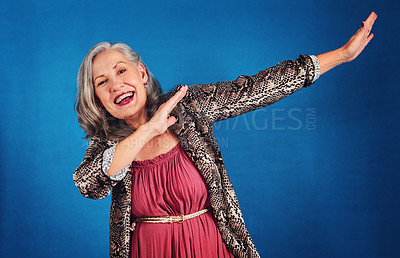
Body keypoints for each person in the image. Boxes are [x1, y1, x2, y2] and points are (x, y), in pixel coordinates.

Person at [73, 12, 377, 258]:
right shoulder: (107, 144)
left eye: (121, 70)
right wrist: (149, 129)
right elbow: (89, 184)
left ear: (141, 74)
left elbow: (258, 88)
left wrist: (342, 55)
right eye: (102, 82)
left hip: (211, 246)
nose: (116, 84)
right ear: (98, 97)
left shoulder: (187, 105)